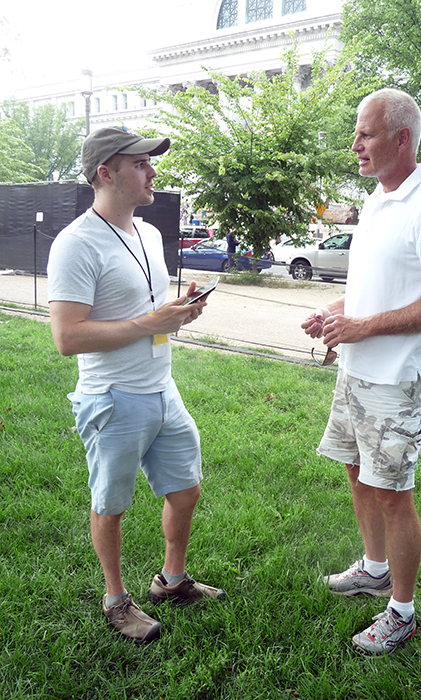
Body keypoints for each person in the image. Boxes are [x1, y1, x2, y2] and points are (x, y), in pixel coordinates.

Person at [301, 89, 421, 655]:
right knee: (356, 470)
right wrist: (336, 315)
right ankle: (374, 569)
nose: (356, 146)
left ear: (402, 138)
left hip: (398, 379)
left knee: (392, 491)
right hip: (356, 369)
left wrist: (364, 327)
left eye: (366, 134)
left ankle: (402, 611)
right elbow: (375, 293)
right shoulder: (376, 200)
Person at [47, 126, 224, 645]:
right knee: (111, 504)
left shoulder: (145, 232)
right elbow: (67, 336)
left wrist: (175, 312)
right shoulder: (75, 244)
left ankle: (171, 581)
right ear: (107, 173)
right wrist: (152, 322)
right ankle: (115, 599)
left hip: (161, 387)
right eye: (141, 163)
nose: (153, 171)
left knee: (185, 489)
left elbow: (142, 311)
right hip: (112, 398)